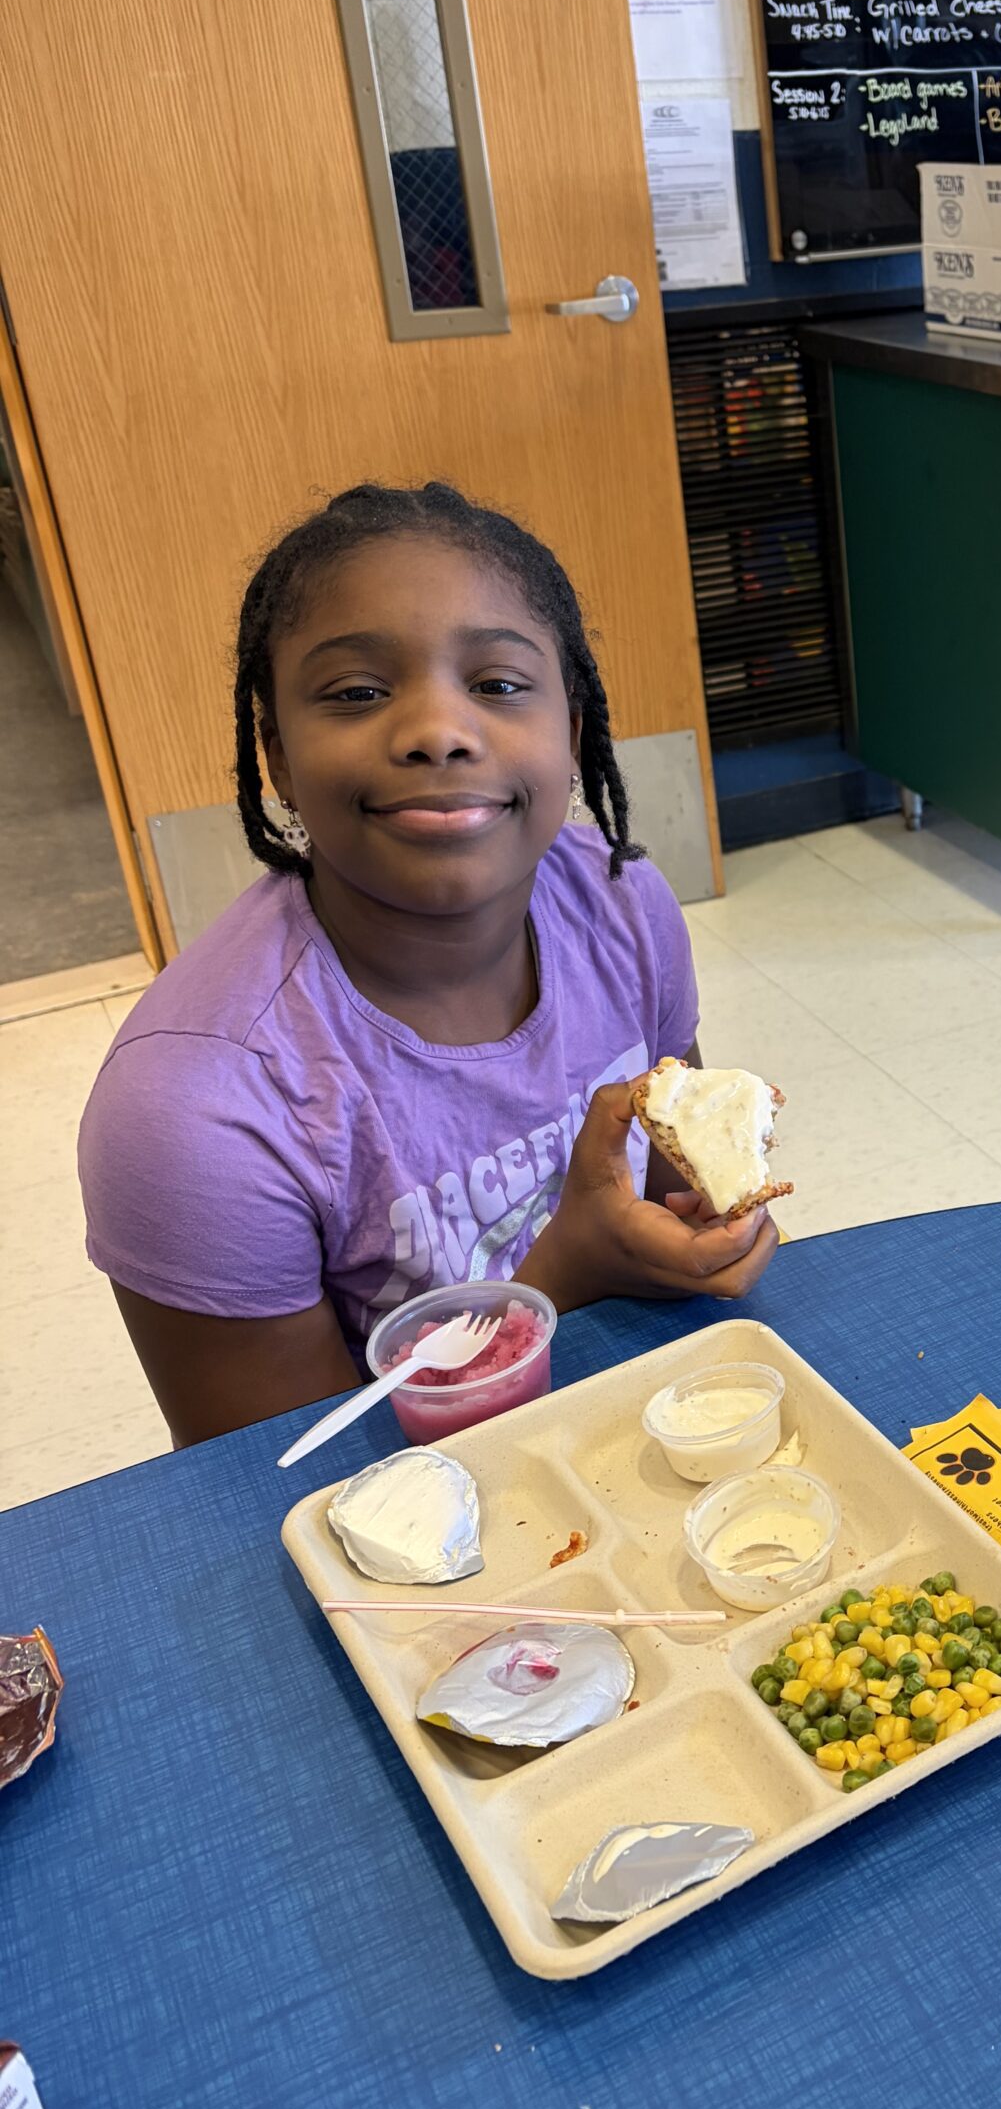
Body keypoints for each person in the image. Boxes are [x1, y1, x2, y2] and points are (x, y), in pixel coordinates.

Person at [79, 482, 774, 1445]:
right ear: (275, 752)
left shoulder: (622, 907)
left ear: (570, 727)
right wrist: (562, 1274)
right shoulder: (194, 1110)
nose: (439, 732)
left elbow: (671, 1190)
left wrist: (705, 1230)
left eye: (496, 685)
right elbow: (293, 1484)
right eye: (358, 693)